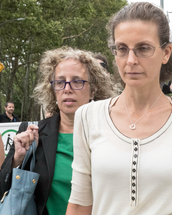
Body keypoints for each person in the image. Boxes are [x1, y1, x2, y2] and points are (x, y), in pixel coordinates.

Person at [66, 2, 172, 215]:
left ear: (166, 52)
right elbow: (78, 204)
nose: (131, 60)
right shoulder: (88, 116)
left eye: (143, 48)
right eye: (122, 49)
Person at [0, 47, 115, 215]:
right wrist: (17, 159)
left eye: (77, 81)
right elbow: (3, 188)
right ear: (53, 90)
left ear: (93, 88)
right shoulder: (32, 134)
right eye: (60, 82)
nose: (67, 88)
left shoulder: (112, 132)